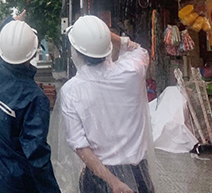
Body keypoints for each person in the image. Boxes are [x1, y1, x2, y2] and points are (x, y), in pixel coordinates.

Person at [60, 15, 153, 193]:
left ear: (77, 52)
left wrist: (114, 183)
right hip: (139, 174)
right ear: (107, 46)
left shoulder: (71, 91)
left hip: (99, 179)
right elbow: (139, 50)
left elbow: (80, 146)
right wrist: (107, 36)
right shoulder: (132, 72)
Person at [0, 10, 61, 193]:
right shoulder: (34, 98)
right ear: (32, 55)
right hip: (17, 184)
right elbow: (37, 156)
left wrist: (10, 21)